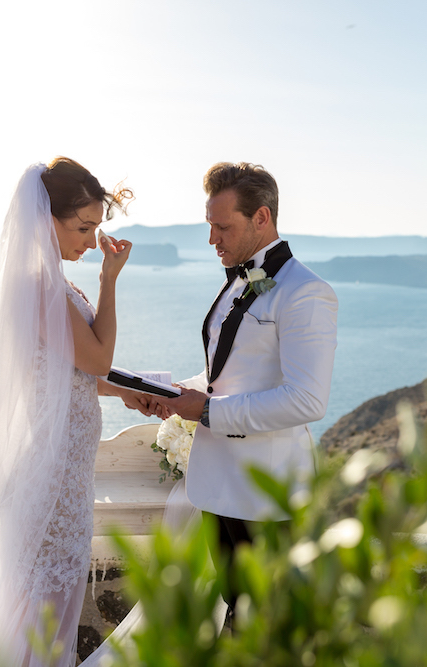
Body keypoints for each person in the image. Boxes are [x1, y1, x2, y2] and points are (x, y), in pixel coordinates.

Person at [0, 157, 139, 667]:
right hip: (48, 480)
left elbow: (73, 374)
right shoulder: (41, 286)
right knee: (37, 623)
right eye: (82, 228)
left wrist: (129, 394)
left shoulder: (50, 286)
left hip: (63, 477)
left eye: (95, 229)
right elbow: (98, 357)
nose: (91, 241)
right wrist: (111, 280)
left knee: (46, 622)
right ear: (45, 220)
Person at [151, 161, 339, 616]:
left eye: (222, 227)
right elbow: (224, 376)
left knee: (268, 626)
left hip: (266, 496)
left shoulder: (306, 292)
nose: (213, 239)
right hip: (217, 488)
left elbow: (306, 399)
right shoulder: (236, 282)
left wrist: (209, 412)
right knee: (236, 612)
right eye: (210, 226)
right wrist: (178, 395)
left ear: (262, 218)